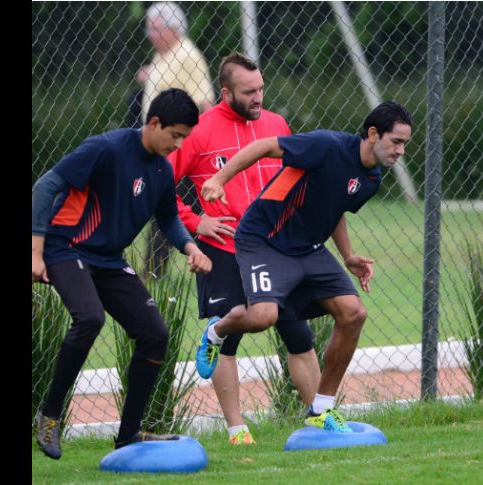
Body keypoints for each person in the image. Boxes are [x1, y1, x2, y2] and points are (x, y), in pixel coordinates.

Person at [197, 102, 413, 433]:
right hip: (264, 240)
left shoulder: (371, 179)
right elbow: (265, 145)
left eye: (405, 144)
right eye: (396, 141)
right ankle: (217, 331)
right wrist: (219, 178)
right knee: (263, 317)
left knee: (354, 313)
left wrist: (349, 255)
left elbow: (336, 206)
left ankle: (321, 409)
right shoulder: (327, 146)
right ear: (373, 133)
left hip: (309, 249)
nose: (400, 150)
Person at [32, 88, 213, 459]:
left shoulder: (162, 169)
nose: (177, 145)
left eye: (184, 138)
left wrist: (191, 247)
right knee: (90, 318)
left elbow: (168, 218)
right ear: (154, 123)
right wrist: (35, 251)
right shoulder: (107, 149)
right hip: (67, 248)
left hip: (109, 260)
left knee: (154, 334)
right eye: (174, 135)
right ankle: (48, 416)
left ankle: (129, 434)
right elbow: (45, 185)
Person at [168, 52, 321, 445]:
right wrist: (195, 221)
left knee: (299, 335)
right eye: (249, 91)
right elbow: (159, 182)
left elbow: (294, 177)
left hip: (274, 248)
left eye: (261, 89)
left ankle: (321, 419)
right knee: (229, 337)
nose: (258, 97)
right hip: (223, 246)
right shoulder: (199, 130)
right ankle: (237, 431)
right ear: (226, 92)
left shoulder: (276, 125)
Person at [137, 1, 216, 275]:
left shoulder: (187, 54)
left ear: (173, 29)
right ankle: (158, 271)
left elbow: (205, 101)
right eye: (149, 29)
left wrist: (201, 145)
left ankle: (155, 272)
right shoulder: (163, 55)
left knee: (171, 207)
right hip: (160, 146)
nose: (150, 34)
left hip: (180, 148)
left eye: (156, 29)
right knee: (171, 208)